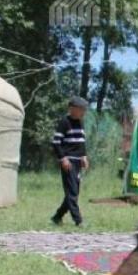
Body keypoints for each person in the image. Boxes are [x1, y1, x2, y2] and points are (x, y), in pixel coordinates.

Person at [50, 96, 89, 227]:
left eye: (84, 109)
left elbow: (81, 142)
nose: (84, 112)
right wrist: (63, 158)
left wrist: (84, 156)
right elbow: (56, 142)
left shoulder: (80, 122)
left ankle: (57, 217)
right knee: (72, 192)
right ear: (72, 109)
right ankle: (78, 220)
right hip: (68, 161)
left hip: (78, 162)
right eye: (81, 109)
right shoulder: (64, 122)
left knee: (74, 193)